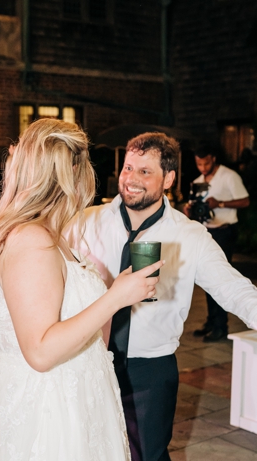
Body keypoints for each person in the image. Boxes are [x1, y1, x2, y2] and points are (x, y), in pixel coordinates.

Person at [0, 119, 161, 460]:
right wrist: (115, 297)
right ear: (69, 176)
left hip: (78, 394)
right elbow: (39, 352)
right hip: (48, 411)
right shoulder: (33, 239)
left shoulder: (52, 236)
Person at [63, 132, 257, 461]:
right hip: (86, 360)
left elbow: (234, 289)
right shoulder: (84, 222)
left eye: (144, 171)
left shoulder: (189, 235)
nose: (131, 179)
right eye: (128, 168)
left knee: (147, 455)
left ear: (168, 178)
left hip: (149, 368)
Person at [184, 146, 250, 342]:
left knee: (219, 278)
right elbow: (196, 210)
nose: (202, 167)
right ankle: (211, 322)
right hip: (206, 231)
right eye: (198, 164)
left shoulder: (229, 176)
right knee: (206, 279)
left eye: (206, 163)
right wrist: (190, 210)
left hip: (224, 231)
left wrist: (220, 204)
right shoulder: (197, 183)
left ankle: (221, 326)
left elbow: (245, 201)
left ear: (213, 158)